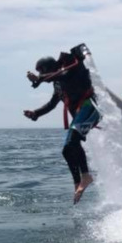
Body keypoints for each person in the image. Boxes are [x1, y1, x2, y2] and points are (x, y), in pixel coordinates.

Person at [23, 44, 101, 204]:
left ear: (50, 68)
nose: (41, 74)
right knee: (66, 150)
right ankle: (77, 182)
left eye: (42, 71)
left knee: (73, 141)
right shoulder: (58, 84)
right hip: (81, 114)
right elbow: (52, 103)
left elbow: (62, 74)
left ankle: (86, 176)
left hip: (90, 108)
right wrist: (36, 113)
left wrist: (40, 79)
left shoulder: (70, 70)